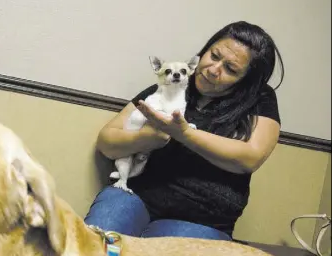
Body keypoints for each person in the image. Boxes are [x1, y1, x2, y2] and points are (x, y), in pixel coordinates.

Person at [85, 21, 284, 241]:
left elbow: (250, 157)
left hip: (203, 218)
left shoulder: (259, 99)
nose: (213, 69)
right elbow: (107, 142)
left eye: (230, 69)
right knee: (96, 246)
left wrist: (184, 134)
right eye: (214, 55)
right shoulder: (173, 81)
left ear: (246, 82)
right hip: (135, 195)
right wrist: (147, 139)